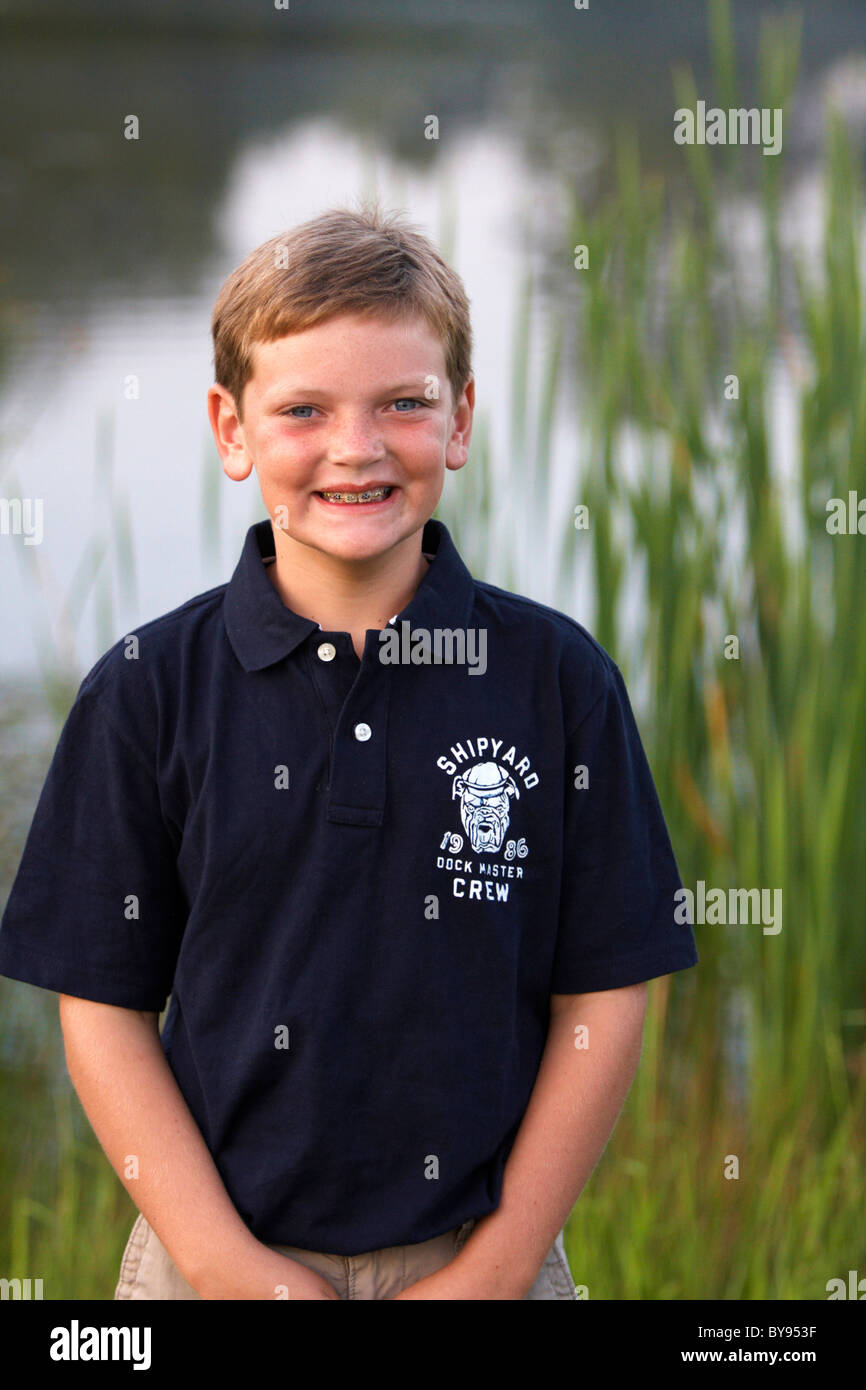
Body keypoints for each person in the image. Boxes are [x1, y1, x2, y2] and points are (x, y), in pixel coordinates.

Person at [0, 201, 698, 1300]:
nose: (356, 448)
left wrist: (499, 1266)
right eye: (303, 409)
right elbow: (99, 1009)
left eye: (403, 405)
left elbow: (604, 996)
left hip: (486, 1260)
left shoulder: (557, 681)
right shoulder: (148, 691)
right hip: (209, 1262)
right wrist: (229, 1267)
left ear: (460, 418)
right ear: (231, 430)